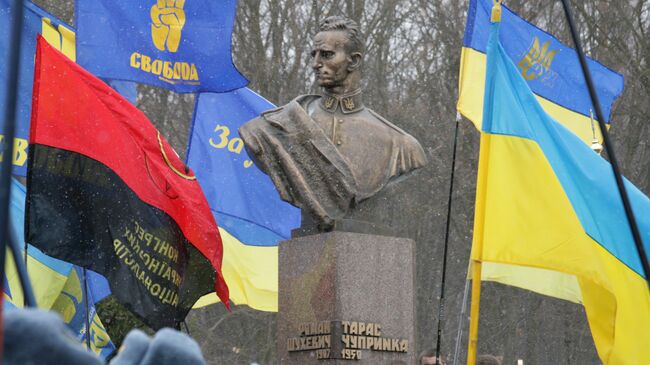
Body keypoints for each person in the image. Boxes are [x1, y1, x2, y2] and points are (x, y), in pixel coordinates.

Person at [240, 16, 427, 227]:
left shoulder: (402, 147)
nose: (316, 64)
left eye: (327, 55)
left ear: (354, 61)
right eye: (314, 55)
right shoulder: (273, 128)